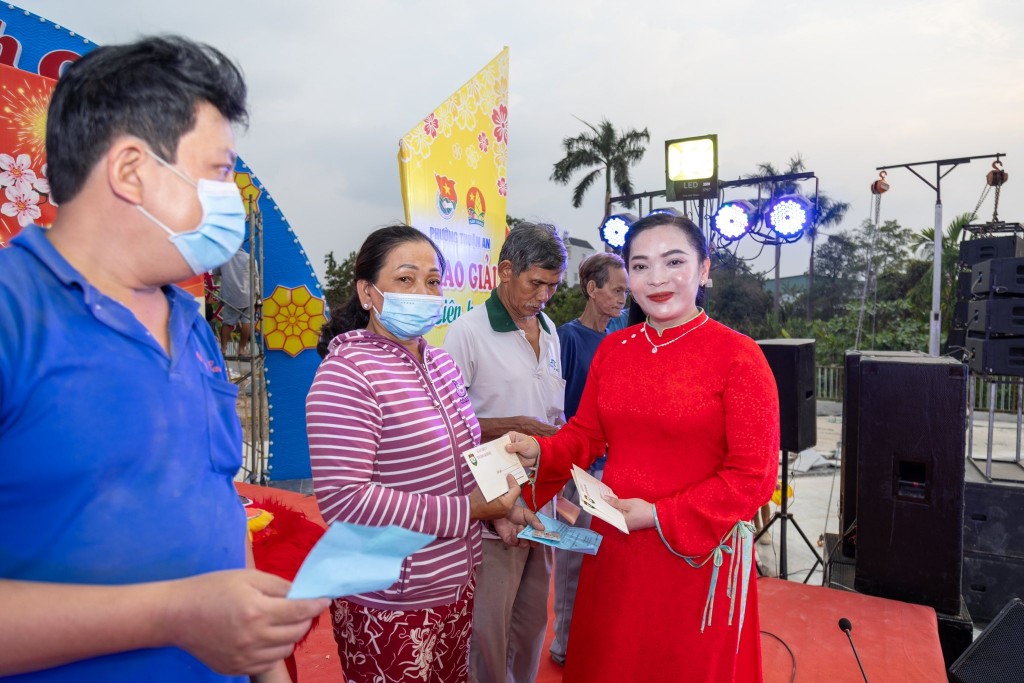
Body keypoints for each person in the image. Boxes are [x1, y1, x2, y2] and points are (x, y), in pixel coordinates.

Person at [0, 36, 328, 682]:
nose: (233, 196)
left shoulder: (190, 324)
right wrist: (172, 615)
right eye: (219, 171)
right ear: (131, 171)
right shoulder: (14, 316)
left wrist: (267, 668)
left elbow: (218, 504)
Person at [508, 212, 780, 682]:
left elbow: (753, 476)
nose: (656, 278)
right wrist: (542, 452)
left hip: (696, 557)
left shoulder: (739, 357)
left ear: (704, 269)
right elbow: (585, 435)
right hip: (616, 550)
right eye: (640, 266)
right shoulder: (614, 350)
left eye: (673, 261)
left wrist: (657, 515)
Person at [307, 225, 537, 682]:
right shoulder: (346, 375)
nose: (423, 292)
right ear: (367, 293)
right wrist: (468, 510)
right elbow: (344, 502)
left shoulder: (442, 364)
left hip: (455, 586)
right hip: (386, 599)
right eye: (405, 279)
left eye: (432, 281)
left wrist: (497, 512)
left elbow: (458, 463)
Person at [442, 222, 568, 683]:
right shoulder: (467, 333)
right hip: (494, 504)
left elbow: (551, 413)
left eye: (553, 286)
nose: (544, 297)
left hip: (543, 499)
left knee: (532, 620)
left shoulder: (549, 330)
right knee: (490, 628)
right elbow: (446, 425)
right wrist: (513, 427)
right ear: (506, 270)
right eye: (536, 283)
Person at [549, 252, 628, 666]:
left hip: (612, 468)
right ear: (592, 289)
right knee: (572, 558)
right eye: (616, 290)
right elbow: (556, 405)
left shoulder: (620, 338)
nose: (622, 299)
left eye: (625, 292)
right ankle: (564, 644)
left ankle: (594, 638)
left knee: (606, 560)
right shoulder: (567, 338)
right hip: (576, 470)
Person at [215, 246, 256, 360]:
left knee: (227, 323)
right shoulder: (249, 258)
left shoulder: (224, 257)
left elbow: (216, 272)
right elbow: (255, 277)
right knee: (247, 322)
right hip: (247, 296)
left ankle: (223, 349)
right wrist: (257, 296)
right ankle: (241, 349)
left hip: (230, 296)